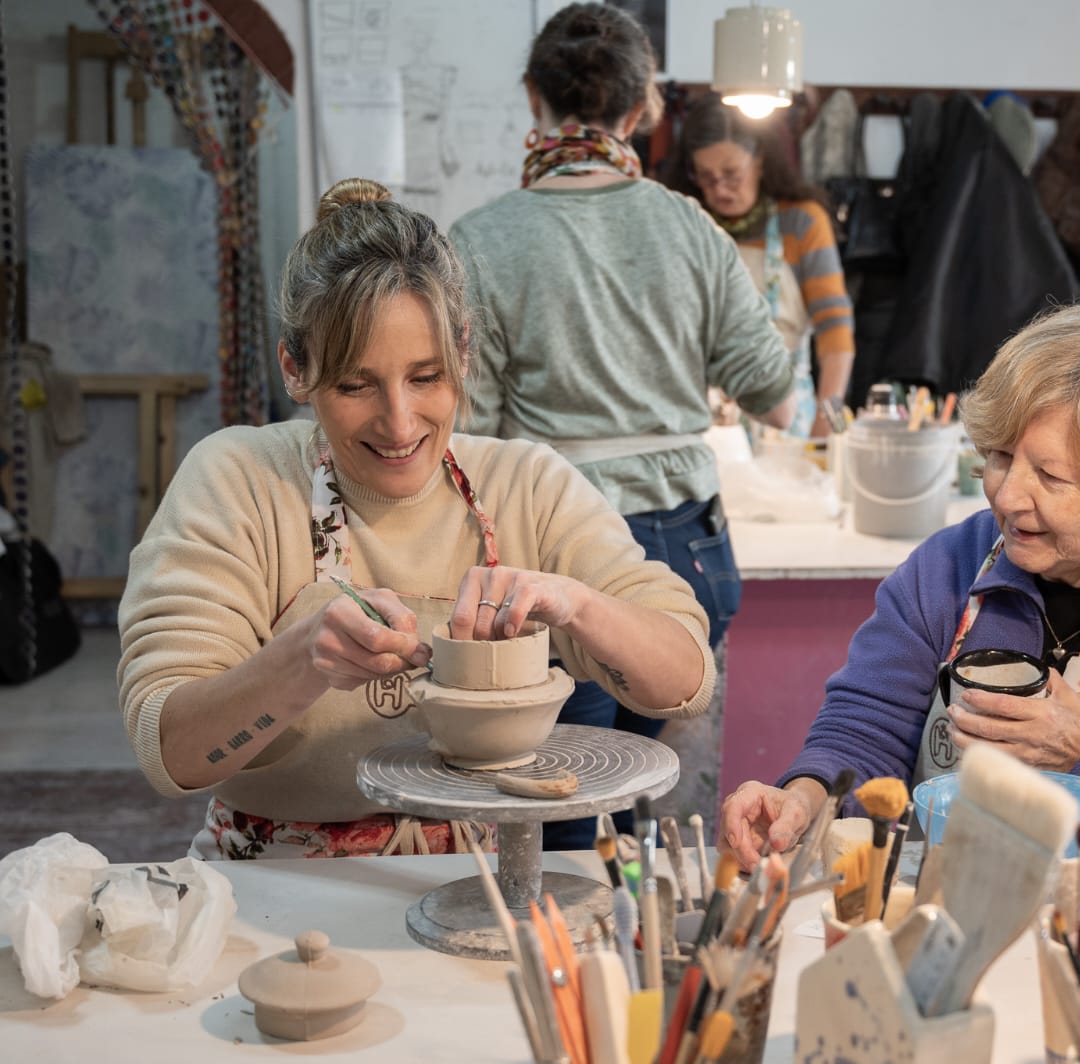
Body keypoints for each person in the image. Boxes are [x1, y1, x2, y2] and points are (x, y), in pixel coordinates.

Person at [117, 178, 717, 860]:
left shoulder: (528, 485)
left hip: (477, 878)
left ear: (463, 353)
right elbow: (168, 753)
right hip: (272, 886)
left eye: (427, 378)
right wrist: (301, 663)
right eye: (354, 384)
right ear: (295, 367)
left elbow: (688, 680)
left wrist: (577, 605)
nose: (400, 424)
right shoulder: (239, 481)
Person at [720, 300, 1080, 868]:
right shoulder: (949, 564)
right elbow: (865, 732)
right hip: (953, 903)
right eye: (999, 457)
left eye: (1051, 476)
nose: (1007, 497)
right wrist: (802, 799)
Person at [449, 3, 794, 848]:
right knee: (641, 803)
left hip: (554, 554)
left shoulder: (479, 242)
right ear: (643, 111)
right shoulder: (691, 230)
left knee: (556, 803)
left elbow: (472, 440)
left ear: (535, 97)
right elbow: (777, 393)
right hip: (687, 551)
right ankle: (625, 968)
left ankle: (558, 967)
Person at [663, 95, 856, 439]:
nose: (719, 188)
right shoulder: (686, 225)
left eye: (731, 174)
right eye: (705, 177)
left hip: (787, 417)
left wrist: (830, 421)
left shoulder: (800, 223)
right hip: (702, 419)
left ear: (761, 161)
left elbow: (836, 331)